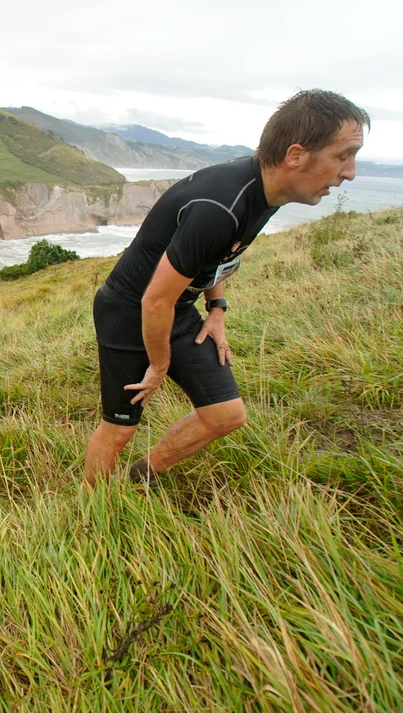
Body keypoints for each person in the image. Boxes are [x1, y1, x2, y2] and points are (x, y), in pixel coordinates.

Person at [85, 89, 369, 486]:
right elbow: (154, 299)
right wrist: (159, 366)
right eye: (343, 156)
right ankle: (90, 507)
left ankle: (139, 478)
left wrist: (216, 310)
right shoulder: (219, 207)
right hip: (129, 312)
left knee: (225, 415)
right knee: (120, 429)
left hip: (175, 309)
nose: (350, 172)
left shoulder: (267, 191)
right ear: (296, 155)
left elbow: (220, 255)